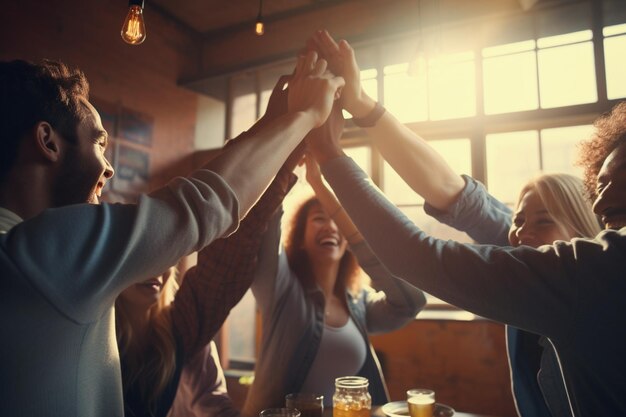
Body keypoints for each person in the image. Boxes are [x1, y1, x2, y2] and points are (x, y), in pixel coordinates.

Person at [0, 53, 343, 417]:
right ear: (47, 141)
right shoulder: (44, 253)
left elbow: (219, 244)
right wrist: (304, 117)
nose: (109, 168)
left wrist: (274, 123)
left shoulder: (25, 256)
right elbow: (205, 203)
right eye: (98, 143)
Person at [307, 31, 626, 417]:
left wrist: (330, 155)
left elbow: (419, 256)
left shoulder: (586, 269)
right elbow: (453, 193)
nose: (603, 199)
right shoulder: (533, 253)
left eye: (618, 184)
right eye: (601, 185)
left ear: (583, 227)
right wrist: (362, 105)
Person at [116, 76, 304, 417]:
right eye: (145, 257)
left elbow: (228, 259)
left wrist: (280, 145)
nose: (157, 269)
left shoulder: (178, 330)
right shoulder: (95, 329)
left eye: (166, 256)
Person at [241, 103, 427, 417]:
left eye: (336, 221)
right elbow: (267, 224)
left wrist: (324, 189)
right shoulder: (281, 289)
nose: (329, 226)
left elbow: (410, 301)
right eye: (317, 219)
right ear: (299, 235)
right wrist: (290, 160)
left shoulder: (358, 304)